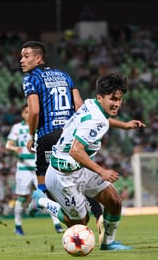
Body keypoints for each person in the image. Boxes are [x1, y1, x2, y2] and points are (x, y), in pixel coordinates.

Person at [20, 41, 141, 234]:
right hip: (69, 132)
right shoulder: (65, 76)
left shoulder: (31, 78)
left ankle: (42, 201)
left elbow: (34, 110)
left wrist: (31, 135)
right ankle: (96, 214)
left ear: (38, 58)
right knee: (81, 171)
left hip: (47, 135)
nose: (22, 60)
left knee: (47, 184)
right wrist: (118, 125)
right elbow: (79, 106)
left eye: (26, 56)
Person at [30, 72, 145, 250]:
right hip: (63, 176)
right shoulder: (95, 120)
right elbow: (75, 151)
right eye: (113, 99)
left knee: (114, 201)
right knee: (81, 222)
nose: (117, 103)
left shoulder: (92, 104)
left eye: (120, 99)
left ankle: (108, 243)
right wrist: (101, 171)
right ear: (100, 97)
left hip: (79, 169)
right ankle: (42, 201)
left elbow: (103, 120)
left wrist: (124, 125)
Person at [5, 103, 64, 235]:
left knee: (48, 195)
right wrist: (15, 148)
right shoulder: (17, 128)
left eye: (30, 111)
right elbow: (8, 145)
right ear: (22, 114)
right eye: (26, 112)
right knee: (21, 197)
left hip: (40, 167)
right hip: (24, 169)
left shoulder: (40, 126)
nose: (28, 114)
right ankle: (18, 226)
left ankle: (57, 225)